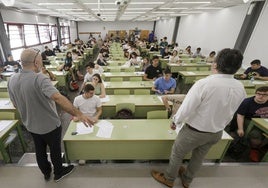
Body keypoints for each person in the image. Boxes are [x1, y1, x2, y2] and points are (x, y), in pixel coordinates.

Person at [151, 48, 246, 188]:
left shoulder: (204, 84)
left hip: (195, 130)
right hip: (217, 132)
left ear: (215, 64)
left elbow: (187, 108)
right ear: (238, 68)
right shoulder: (240, 87)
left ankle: (169, 178)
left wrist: (175, 121)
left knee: (177, 154)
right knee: (199, 157)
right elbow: (232, 111)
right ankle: (187, 180)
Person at [7, 48, 94, 182]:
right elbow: (58, 98)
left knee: (39, 150)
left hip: (30, 124)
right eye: (40, 59)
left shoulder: (11, 79)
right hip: (49, 124)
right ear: (36, 62)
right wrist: (79, 114)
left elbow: (14, 104)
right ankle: (58, 172)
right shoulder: (40, 78)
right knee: (54, 149)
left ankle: (46, 172)